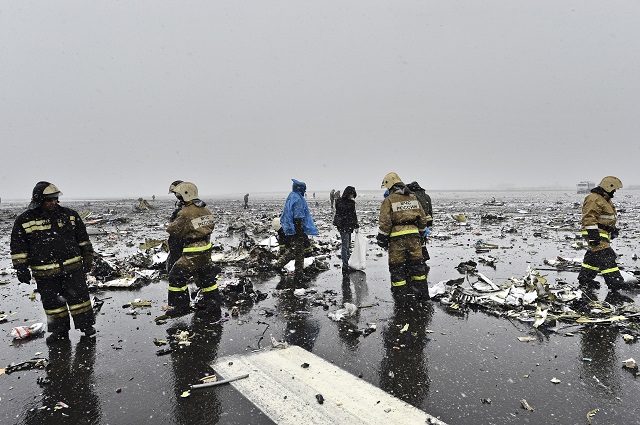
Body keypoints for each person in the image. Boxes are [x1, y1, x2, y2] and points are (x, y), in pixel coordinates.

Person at [10, 182, 96, 343]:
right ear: (38, 200)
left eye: (55, 199)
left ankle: (87, 327)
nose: (53, 202)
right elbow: (19, 247)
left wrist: (88, 257)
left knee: (80, 301)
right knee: (53, 304)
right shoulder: (25, 220)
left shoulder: (70, 215)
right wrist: (21, 268)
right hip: (45, 272)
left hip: (73, 268)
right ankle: (59, 331)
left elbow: (83, 240)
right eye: (48, 200)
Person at [165, 182, 221, 317]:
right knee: (206, 278)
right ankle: (213, 306)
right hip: (206, 249)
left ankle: (181, 306)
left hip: (192, 251)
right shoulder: (205, 208)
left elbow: (172, 229)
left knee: (176, 277)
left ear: (184, 194)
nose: (177, 197)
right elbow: (210, 225)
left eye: (178, 195)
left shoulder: (186, 212)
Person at [377, 172, 430, 303]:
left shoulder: (388, 200)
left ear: (390, 186)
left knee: (397, 269)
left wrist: (382, 239)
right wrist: (421, 232)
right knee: (418, 267)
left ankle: (401, 300)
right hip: (414, 238)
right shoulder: (413, 198)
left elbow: (385, 222)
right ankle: (423, 297)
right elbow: (423, 219)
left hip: (396, 240)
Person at [577, 176, 626, 298]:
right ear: (608, 187)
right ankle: (615, 283)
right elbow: (589, 217)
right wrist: (593, 236)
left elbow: (604, 217)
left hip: (601, 232)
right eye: (614, 189)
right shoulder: (594, 198)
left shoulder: (605, 199)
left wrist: (612, 229)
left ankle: (585, 279)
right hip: (594, 232)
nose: (615, 191)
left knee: (593, 256)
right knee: (606, 256)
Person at [278, 179, 319, 285]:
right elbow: (298, 216)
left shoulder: (292, 196)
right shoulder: (297, 199)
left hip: (292, 228)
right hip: (297, 228)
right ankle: (298, 276)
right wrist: (300, 230)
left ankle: (281, 266)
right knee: (299, 251)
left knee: (295, 250)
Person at [333, 186, 359, 273]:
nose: (352, 195)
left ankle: (347, 263)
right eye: (351, 194)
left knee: (347, 245)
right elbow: (347, 213)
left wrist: (356, 225)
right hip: (343, 226)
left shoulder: (344, 202)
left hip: (347, 225)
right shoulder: (341, 202)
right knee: (345, 245)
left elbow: (353, 214)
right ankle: (345, 265)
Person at [406, 181, 433, 262]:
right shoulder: (426, 196)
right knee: (423, 238)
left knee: (417, 240)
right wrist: (430, 222)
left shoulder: (412, 197)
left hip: (417, 221)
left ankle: (419, 257)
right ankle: (423, 256)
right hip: (427, 219)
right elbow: (430, 210)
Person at [166, 180, 185, 273]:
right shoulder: (183, 205)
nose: (175, 195)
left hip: (181, 243)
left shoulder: (187, 207)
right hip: (180, 243)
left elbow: (172, 227)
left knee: (175, 272)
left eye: (175, 193)